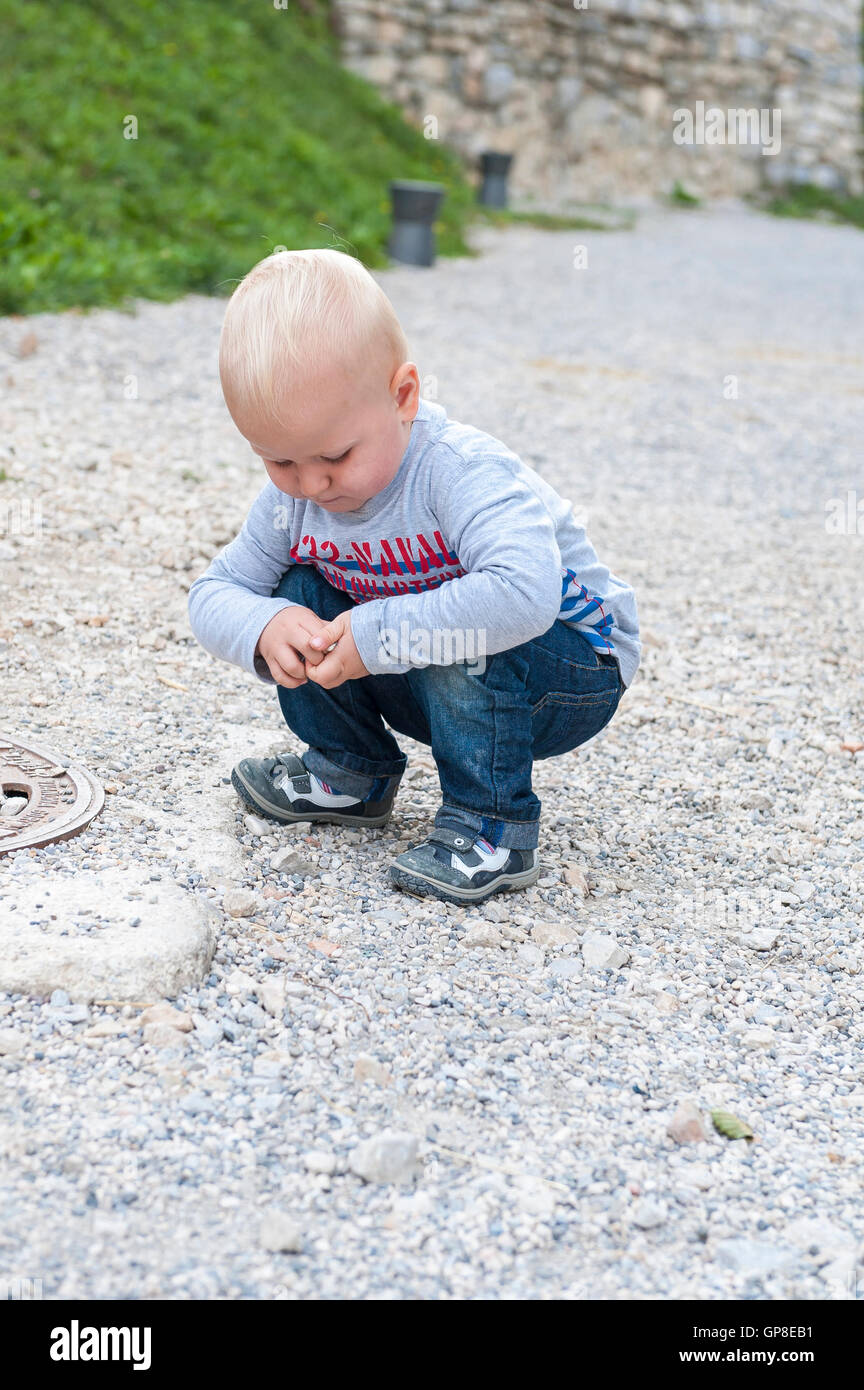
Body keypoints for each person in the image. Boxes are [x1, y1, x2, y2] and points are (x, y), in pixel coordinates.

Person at [188, 248, 640, 905]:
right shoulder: (297, 502)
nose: (311, 484)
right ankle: (351, 771)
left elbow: (524, 593)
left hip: (569, 667)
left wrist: (382, 634)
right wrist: (264, 626)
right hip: (429, 669)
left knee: (455, 627)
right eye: (279, 461)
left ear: (403, 397)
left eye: (335, 455)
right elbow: (212, 593)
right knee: (298, 596)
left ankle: (492, 824)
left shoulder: (456, 471)